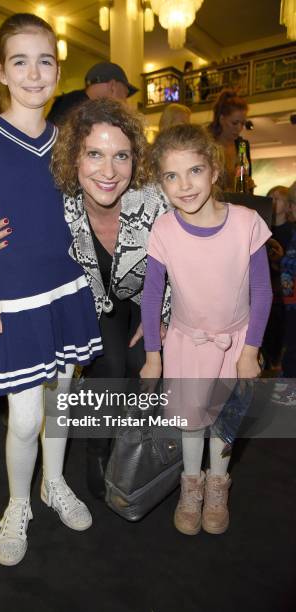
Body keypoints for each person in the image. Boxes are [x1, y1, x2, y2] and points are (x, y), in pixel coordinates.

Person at [0, 13, 103, 567]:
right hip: (14, 301)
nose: (34, 73)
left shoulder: (71, 140)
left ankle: (53, 484)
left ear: (58, 71)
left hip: (68, 292)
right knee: (25, 417)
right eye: (21, 61)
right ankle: (18, 502)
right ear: (1, 72)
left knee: (60, 405)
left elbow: (92, 211)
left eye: (46, 60)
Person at [0, 97, 171, 500]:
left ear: (135, 160)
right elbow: (18, 253)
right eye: (94, 154)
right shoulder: (58, 202)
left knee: (147, 365)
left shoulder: (152, 200)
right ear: (74, 158)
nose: (108, 171)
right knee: (111, 363)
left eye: (121, 156)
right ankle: (97, 451)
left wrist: (164, 318)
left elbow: (179, 265)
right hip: (95, 301)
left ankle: (139, 450)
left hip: (148, 296)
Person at [141, 123, 272, 535]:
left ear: (214, 170)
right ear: (160, 183)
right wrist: (152, 355)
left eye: (194, 171)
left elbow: (262, 292)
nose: (184, 185)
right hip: (185, 344)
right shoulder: (163, 229)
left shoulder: (247, 223)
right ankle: (190, 487)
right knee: (191, 421)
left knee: (224, 424)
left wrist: (249, 351)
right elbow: (150, 295)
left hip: (235, 345)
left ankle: (218, 485)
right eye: (171, 176)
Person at [47, 61, 138, 125]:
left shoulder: (68, 104)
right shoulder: (86, 114)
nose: (125, 102)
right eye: (125, 94)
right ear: (113, 87)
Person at [263, 185, 292, 370]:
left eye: (278, 198)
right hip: (268, 285)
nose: (273, 200)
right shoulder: (265, 228)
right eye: (270, 197)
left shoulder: (291, 230)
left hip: (286, 289)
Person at [208, 89, 252, 191]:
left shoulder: (242, 145)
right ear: (221, 119)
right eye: (235, 123)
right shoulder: (208, 144)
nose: (239, 128)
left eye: (242, 123)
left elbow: (246, 180)